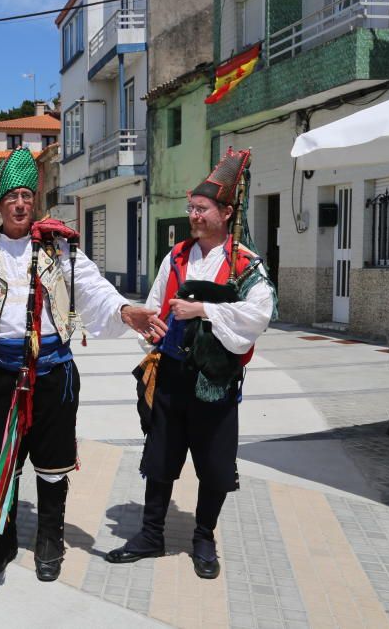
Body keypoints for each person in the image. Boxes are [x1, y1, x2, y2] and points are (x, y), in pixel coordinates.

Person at [0, 147, 157, 582]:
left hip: (54, 373)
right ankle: (2, 538)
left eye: (26, 195)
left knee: (54, 461)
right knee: (5, 459)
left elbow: (94, 291)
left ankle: (50, 539)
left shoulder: (61, 250)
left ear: (33, 202)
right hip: (2, 373)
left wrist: (125, 312)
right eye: (11, 197)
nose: (20, 204)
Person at [104, 148, 276, 580]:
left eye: (202, 209)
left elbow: (260, 314)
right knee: (159, 458)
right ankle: (150, 534)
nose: (194, 216)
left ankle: (203, 538)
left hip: (215, 381)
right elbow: (155, 304)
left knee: (215, 466)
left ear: (226, 212)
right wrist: (149, 323)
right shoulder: (177, 256)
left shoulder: (245, 263)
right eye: (191, 209)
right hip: (171, 374)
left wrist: (204, 311)